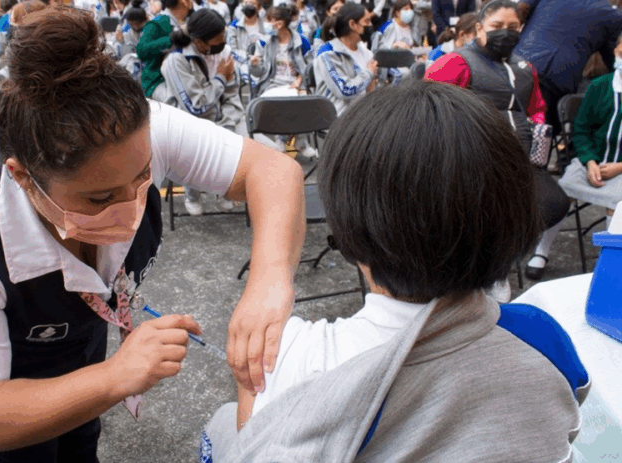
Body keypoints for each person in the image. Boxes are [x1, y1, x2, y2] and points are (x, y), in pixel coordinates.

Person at [0, 5, 304, 462]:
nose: (132, 210)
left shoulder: (132, 128)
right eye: (99, 199)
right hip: (5, 368)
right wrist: (117, 376)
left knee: (79, 435)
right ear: (22, 178)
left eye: (145, 177)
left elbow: (272, 172)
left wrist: (268, 283)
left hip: (80, 327)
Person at [200, 79, 589, 463]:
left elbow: (256, 443)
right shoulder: (543, 335)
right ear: (516, 216)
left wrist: (247, 383)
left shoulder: (294, 355)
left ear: (349, 229)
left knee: (219, 426)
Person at [425, 0, 569, 287]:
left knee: (555, 203)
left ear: (522, 29)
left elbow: (536, 107)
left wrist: (538, 133)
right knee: (487, 218)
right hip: (472, 164)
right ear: (479, 28)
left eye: (512, 27)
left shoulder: (525, 68)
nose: (506, 32)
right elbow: (429, 112)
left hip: (522, 161)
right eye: (496, 26)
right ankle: (480, 274)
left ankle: (499, 261)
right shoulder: (456, 62)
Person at [162, 10, 244, 215]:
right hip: (190, 121)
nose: (222, 43)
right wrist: (220, 79)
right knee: (197, 145)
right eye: (217, 39)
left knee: (238, 142)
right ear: (198, 41)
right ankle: (193, 192)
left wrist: (229, 120)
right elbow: (194, 106)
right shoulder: (176, 61)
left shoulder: (223, 54)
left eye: (224, 37)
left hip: (221, 116)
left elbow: (233, 94)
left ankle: (223, 190)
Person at [513, 0, 622, 132]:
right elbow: (614, 59)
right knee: (538, 136)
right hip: (553, 78)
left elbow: (516, 10)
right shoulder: (610, 15)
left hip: (517, 65)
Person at [557, 34, 622, 235]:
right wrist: (590, 162)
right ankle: (541, 253)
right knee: (561, 192)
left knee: (618, 202)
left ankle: (612, 260)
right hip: (590, 162)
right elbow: (582, 130)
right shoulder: (599, 86)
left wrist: (619, 167)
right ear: (615, 51)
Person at [250, 5, 316, 159]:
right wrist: (254, 65)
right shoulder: (264, 42)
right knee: (273, 102)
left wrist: (300, 80)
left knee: (303, 102)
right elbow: (259, 74)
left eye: (269, 21)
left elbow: (310, 67)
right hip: (273, 83)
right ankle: (280, 138)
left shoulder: (302, 42)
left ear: (279, 24)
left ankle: (301, 142)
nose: (266, 24)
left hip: (296, 83)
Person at [313, 3, 378, 114]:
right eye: (366, 21)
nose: (370, 25)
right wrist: (369, 73)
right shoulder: (328, 53)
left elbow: (370, 91)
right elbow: (344, 90)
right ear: (353, 24)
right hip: (337, 121)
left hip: (362, 116)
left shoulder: (367, 53)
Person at [137, 0, 192, 101]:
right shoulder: (158, 22)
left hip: (182, 76)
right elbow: (141, 50)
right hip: (159, 81)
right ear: (184, 2)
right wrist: (171, 40)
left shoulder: (187, 20)